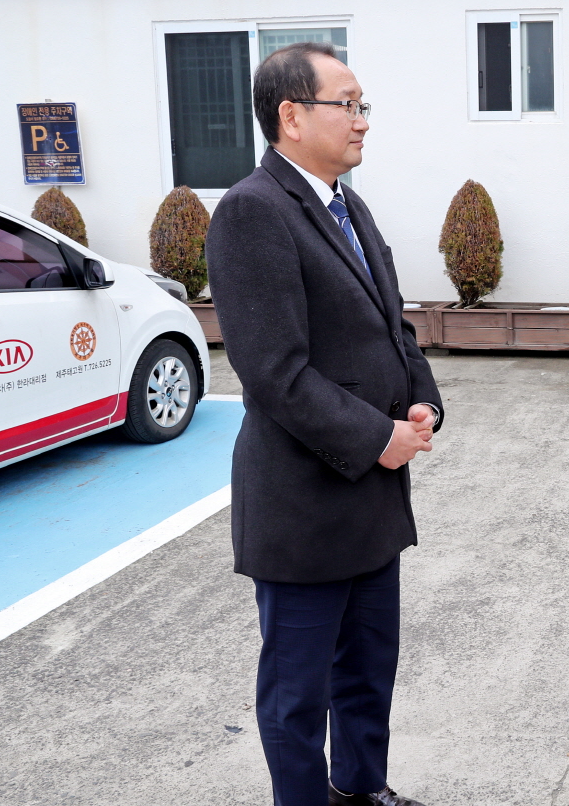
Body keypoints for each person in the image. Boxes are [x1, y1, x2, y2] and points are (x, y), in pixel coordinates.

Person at [207, 41, 444, 806]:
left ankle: (362, 788)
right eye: (349, 104)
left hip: (371, 501)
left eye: (361, 104)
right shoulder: (252, 211)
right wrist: (379, 439)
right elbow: (274, 372)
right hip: (304, 504)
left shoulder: (346, 204)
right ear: (291, 114)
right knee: (298, 694)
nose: (362, 121)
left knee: (368, 669)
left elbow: (391, 325)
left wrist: (421, 401)